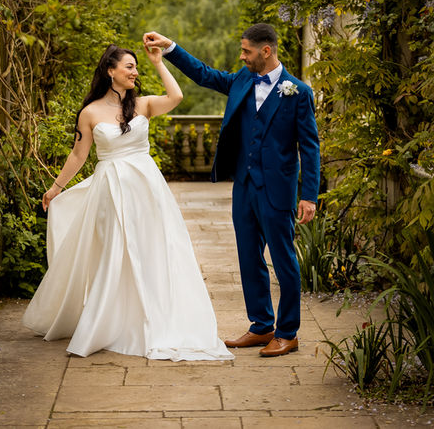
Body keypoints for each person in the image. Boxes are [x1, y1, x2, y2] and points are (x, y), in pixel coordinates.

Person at [23, 43, 233, 361]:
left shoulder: (144, 105)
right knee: (112, 252)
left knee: (150, 248)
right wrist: (56, 188)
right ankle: (107, 320)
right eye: (129, 67)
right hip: (109, 188)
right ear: (110, 71)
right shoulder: (90, 112)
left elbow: (176, 97)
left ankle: (152, 313)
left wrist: (158, 62)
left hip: (146, 188)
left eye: (136, 67)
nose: (135, 72)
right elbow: (79, 154)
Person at [143, 24, 320, 357]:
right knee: (248, 258)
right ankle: (261, 326)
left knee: (284, 263)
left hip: (278, 190)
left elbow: (310, 147)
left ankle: (288, 332)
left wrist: (309, 195)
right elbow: (205, 75)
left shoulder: (297, 92)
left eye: (246, 51)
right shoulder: (242, 79)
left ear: (265, 51)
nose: (242, 56)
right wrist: (171, 48)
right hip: (245, 186)